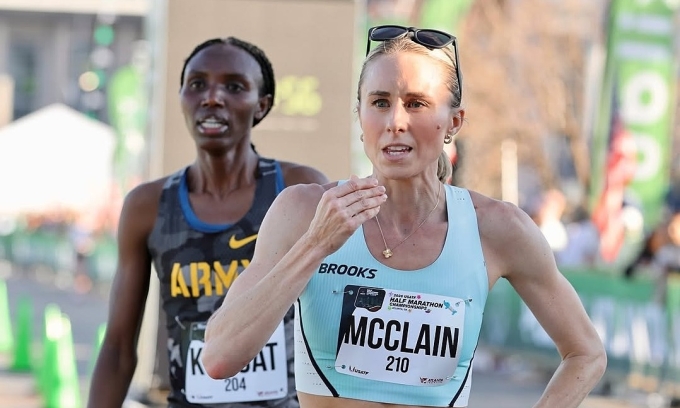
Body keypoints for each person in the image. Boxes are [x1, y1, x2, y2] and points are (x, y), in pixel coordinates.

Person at [202, 26, 606, 407]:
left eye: (416, 104)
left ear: (453, 123)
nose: (395, 122)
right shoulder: (304, 211)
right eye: (380, 103)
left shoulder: (496, 227)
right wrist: (315, 245)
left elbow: (586, 353)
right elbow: (219, 358)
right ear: (360, 116)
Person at [87, 36, 328, 408]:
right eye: (197, 84)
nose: (212, 98)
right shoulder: (148, 206)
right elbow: (119, 348)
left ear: (262, 105)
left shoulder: (299, 191)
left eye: (234, 86)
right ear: (181, 97)